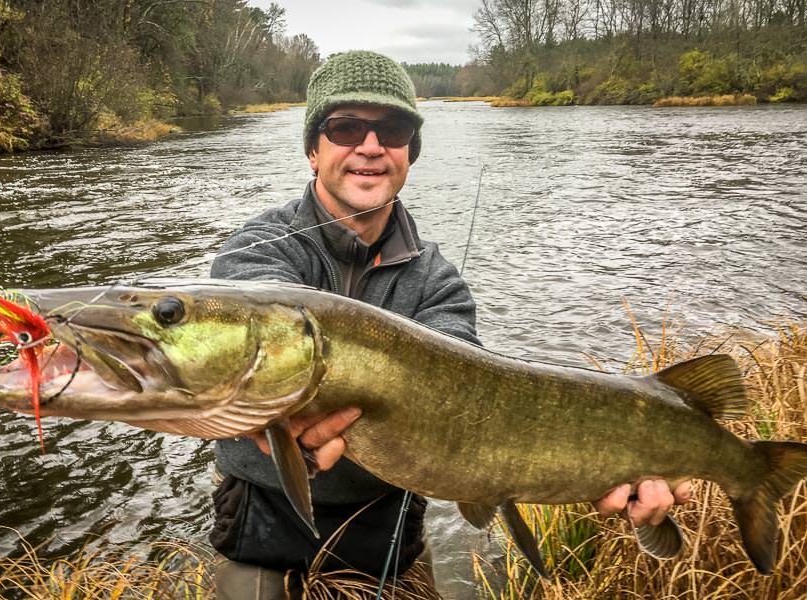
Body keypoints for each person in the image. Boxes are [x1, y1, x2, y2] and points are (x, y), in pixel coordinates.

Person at [208, 50, 689, 599]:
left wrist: (603, 461)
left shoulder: (440, 284)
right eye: (345, 128)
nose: (370, 146)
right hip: (263, 531)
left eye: (392, 129)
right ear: (313, 151)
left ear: (410, 152)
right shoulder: (253, 257)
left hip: (386, 533)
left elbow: (470, 405)